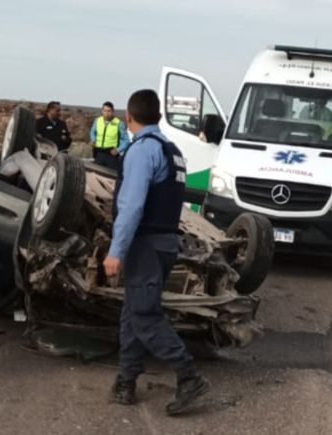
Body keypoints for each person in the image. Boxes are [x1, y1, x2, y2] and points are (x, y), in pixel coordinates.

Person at [103, 89, 209, 416]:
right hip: (164, 244)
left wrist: (115, 251)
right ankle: (126, 380)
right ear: (160, 117)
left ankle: (189, 376)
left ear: (128, 118)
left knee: (145, 316)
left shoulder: (141, 151)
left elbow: (131, 206)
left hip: (145, 245)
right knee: (133, 312)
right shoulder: (173, 152)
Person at [89, 101, 129, 170]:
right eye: (105, 111)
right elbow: (93, 132)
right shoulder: (97, 121)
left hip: (111, 154)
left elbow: (126, 140)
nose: (107, 113)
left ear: (113, 111)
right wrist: (93, 140)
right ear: (102, 111)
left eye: (109, 111)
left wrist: (118, 150)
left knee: (112, 177)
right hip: (98, 153)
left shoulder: (119, 123)